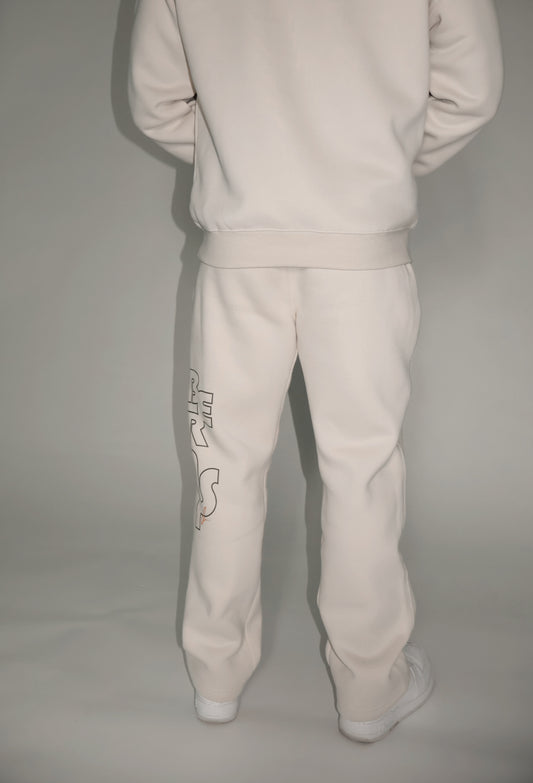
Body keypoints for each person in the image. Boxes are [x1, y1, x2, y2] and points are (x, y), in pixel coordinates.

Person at [127, 0, 504, 742]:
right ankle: (368, 688)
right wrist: (377, 159)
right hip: (361, 251)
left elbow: (156, 99)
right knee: (362, 469)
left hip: (239, 254)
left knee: (223, 463)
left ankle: (215, 674)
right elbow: (470, 90)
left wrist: (245, 160)